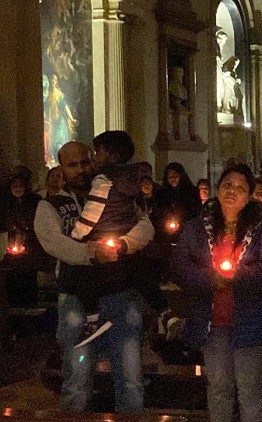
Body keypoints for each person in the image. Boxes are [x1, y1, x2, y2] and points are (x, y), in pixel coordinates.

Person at [35, 141, 152, 413]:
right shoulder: (50, 204)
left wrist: (124, 244)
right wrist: (90, 253)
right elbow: (53, 242)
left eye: (85, 162)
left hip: (119, 294)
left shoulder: (113, 191)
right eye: (72, 165)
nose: (80, 169)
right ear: (61, 169)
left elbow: (145, 226)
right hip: (75, 302)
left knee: (131, 382)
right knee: (77, 382)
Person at [171, 164, 262, 422]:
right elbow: (180, 264)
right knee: (218, 389)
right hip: (213, 323)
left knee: (250, 391)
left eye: (240, 188)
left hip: (251, 320)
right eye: (227, 185)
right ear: (218, 188)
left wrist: (239, 277)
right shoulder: (197, 226)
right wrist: (209, 278)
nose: (232, 191)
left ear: (249, 195)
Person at [68, 131, 167, 347]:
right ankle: (165, 311)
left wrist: (75, 235)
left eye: (97, 152)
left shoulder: (103, 180)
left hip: (102, 235)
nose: (94, 158)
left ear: (107, 154)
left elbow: (92, 212)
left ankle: (93, 320)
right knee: (137, 271)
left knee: (82, 271)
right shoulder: (132, 178)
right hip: (124, 233)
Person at [1, 171, 48, 307]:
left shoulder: (35, 200)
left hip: (30, 246)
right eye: (14, 185)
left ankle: (29, 307)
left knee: (28, 277)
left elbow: (38, 221)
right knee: (12, 278)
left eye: (20, 185)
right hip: (12, 245)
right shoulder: (7, 201)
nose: (17, 188)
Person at [154, 162, 201, 243]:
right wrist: (166, 222)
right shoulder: (161, 193)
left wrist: (182, 223)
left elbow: (196, 211)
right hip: (166, 235)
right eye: (170, 177)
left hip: (187, 233)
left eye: (176, 176)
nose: (173, 179)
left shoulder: (192, 192)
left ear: (181, 176)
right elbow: (157, 212)